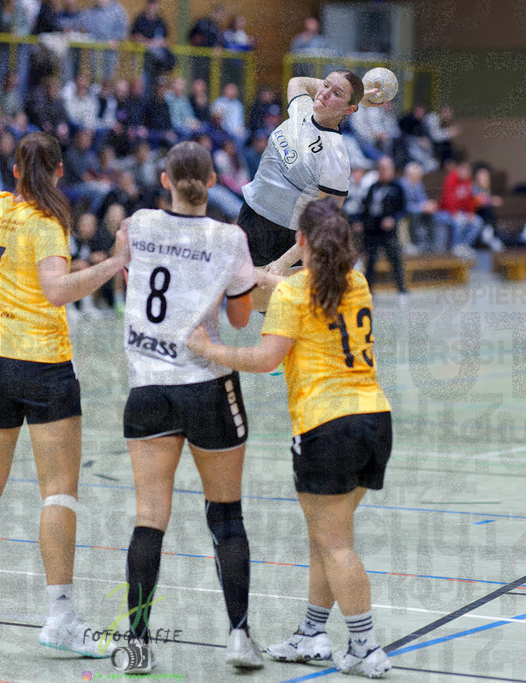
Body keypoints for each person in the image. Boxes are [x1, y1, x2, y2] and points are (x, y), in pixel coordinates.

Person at [0, 49, 129, 656]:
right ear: (58, 173)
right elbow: (58, 290)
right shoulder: (47, 223)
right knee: (58, 493)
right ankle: (60, 618)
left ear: (13, 169)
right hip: (43, 367)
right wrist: (114, 263)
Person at [187, 197, 392, 678]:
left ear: (302, 242)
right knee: (328, 537)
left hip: (327, 426)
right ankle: (313, 633)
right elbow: (283, 285)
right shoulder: (357, 283)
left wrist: (209, 348)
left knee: (335, 543)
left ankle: (365, 648)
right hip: (375, 421)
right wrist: (269, 272)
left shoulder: (294, 295)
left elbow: (264, 359)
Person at [120, 140, 261, 673]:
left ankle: (136, 644)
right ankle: (240, 637)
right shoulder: (230, 238)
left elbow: (128, 275)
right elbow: (243, 319)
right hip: (207, 386)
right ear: (212, 180)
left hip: (148, 388)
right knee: (225, 515)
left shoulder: (138, 225)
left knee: (149, 518)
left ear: (164, 180)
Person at [238, 71, 377, 309]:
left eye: (336, 93)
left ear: (348, 110)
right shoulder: (302, 108)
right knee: (232, 295)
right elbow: (297, 82)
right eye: (325, 85)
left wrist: (283, 262)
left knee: (281, 320)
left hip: (282, 237)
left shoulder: (335, 157)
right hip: (250, 217)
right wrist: (357, 95)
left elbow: (324, 221)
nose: (324, 93)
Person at [359, 157, 407, 294]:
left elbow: (404, 209)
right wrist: (362, 222)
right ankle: (368, 291)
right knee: (371, 260)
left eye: (385, 168)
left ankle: (402, 289)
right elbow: (366, 207)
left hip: (388, 231)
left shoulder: (398, 187)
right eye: (380, 168)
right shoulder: (373, 187)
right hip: (372, 229)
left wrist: (393, 219)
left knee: (394, 259)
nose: (382, 171)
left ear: (391, 170)